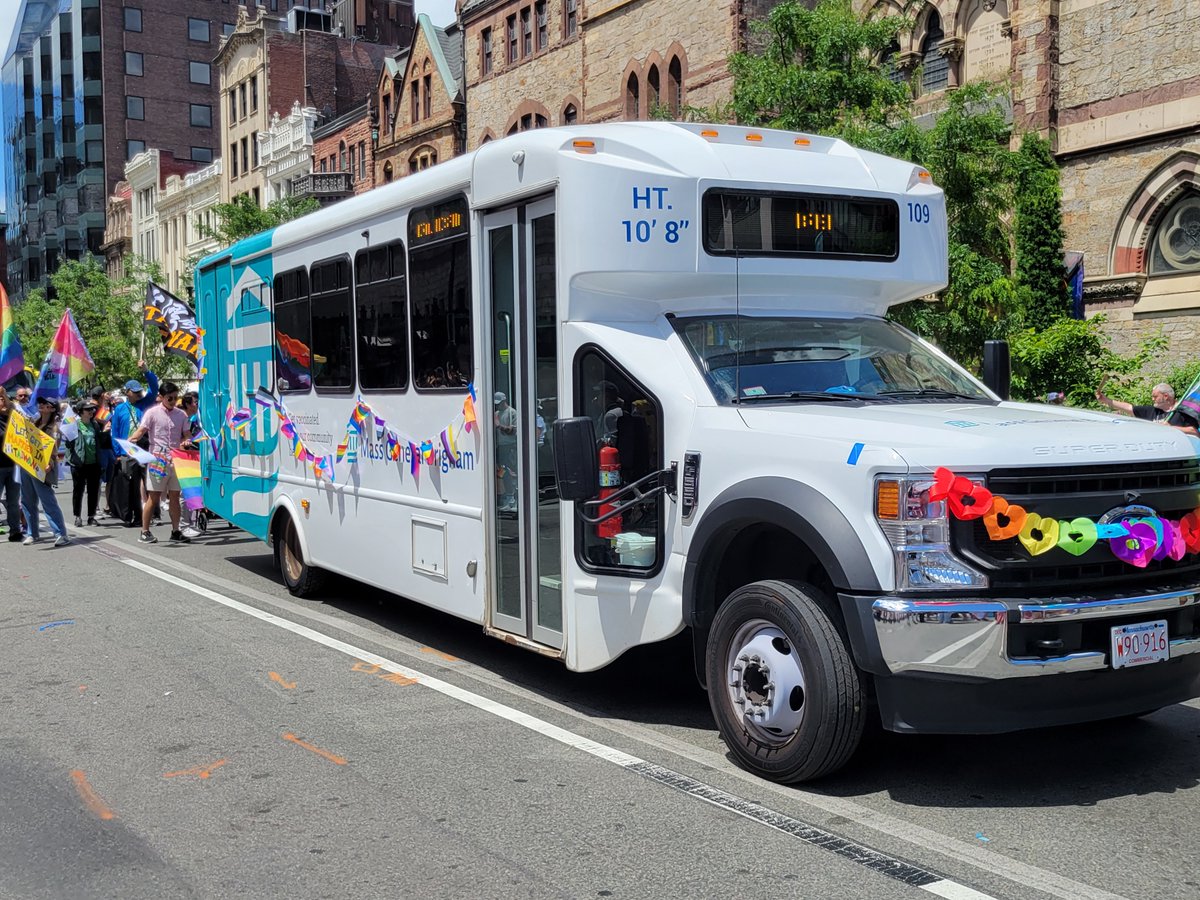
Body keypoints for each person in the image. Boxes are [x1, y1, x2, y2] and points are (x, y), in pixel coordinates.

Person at [126, 381, 192, 544]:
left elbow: (187, 434)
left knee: (175, 496)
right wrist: (133, 439)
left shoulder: (181, 415)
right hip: (157, 459)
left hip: (176, 459)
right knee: (153, 497)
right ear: (161, 397)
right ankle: (144, 531)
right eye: (170, 398)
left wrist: (187, 441)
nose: (173, 401)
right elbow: (142, 430)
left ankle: (176, 531)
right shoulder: (152, 413)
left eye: (176, 398)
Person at [19, 396, 70, 546]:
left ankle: (61, 533)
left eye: (45, 404)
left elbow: (55, 449)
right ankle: (32, 533)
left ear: (53, 409)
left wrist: (51, 464)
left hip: (43, 468)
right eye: (40, 403)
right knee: (27, 501)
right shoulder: (34, 422)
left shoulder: (55, 427)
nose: (41, 405)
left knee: (48, 502)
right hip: (27, 464)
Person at [109, 362, 160, 457]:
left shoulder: (146, 403)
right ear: (127, 392)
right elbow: (115, 432)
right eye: (135, 391)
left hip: (144, 449)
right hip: (126, 452)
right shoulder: (120, 408)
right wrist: (117, 453)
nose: (138, 393)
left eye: (139, 391)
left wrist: (146, 371)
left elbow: (154, 388)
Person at [67, 399, 102, 526]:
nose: (91, 411)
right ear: (80, 412)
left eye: (92, 409)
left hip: (94, 463)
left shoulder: (95, 425)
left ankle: (91, 516)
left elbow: (98, 441)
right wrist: (72, 458)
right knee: (78, 490)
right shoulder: (74, 425)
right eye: (88, 409)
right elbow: (68, 444)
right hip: (79, 463)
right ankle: (77, 516)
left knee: (93, 490)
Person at [177, 390, 204, 539]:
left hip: (194, 457)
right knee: (184, 493)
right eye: (195, 402)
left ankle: (190, 523)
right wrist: (184, 443)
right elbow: (178, 439)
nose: (197, 405)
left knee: (192, 491)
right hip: (183, 458)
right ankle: (183, 525)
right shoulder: (182, 418)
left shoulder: (196, 419)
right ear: (187, 404)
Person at [0, 387, 24, 542]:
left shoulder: (13, 418)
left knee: (13, 500)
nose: (2, 402)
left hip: (13, 465)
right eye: (0, 399)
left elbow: (14, 408)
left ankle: (15, 530)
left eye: (4, 399)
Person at [1095, 382, 1174, 422]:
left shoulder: (1181, 411)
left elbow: (1187, 429)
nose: (1153, 399)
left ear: (1166, 396)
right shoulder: (1151, 411)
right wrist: (1106, 400)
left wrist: (1172, 428)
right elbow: (1129, 408)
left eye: (1155, 396)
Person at [494, 391, 518, 512]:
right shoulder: (497, 413)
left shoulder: (512, 412)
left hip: (511, 445)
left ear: (504, 401)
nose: (498, 406)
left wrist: (499, 426)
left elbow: (512, 431)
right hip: (501, 446)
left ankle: (514, 499)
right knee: (503, 472)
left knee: (512, 471)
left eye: (499, 403)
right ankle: (509, 497)